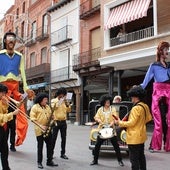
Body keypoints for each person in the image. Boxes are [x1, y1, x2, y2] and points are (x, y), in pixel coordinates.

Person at [0, 31, 34, 146]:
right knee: (2, 115)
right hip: (3, 89)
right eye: (9, 38)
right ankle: (3, 141)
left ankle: (13, 142)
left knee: (19, 115)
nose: (11, 40)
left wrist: (26, 88)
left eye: (13, 39)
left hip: (14, 89)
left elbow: (23, 73)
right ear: (5, 41)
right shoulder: (0, 54)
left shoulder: (20, 56)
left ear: (15, 42)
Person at [140, 41, 170, 152]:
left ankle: (168, 145)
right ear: (160, 51)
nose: (167, 51)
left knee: (169, 121)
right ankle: (153, 145)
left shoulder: (169, 65)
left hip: (169, 92)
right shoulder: (154, 65)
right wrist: (137, 89)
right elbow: (146, 81)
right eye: (166, 49)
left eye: (168, 49)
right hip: (158, 93)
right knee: (159, 122)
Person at [115, 86, 152, 170]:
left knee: (134, 159)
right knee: (141, 156)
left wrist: (119, 122)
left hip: (134, 137)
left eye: (132, 96)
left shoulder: (136, 108)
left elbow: (131, 123)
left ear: (135, 97)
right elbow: (149, 118)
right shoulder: (145, 106)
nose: (131, 98)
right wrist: (140, 123)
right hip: (141, 135)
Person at [90, 94, 124, 167]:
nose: (108, 102)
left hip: (111, 129)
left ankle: (120, 161)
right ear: (103, 102)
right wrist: (99, 120)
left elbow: (116, 118)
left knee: (116, 146)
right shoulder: (100, 109)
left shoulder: (113, 109)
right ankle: (95, 160)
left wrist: (111, 123)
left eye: (109, 101)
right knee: (97, 145)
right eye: (106, 101)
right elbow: (96, 117)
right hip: (102, 129)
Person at [30, 93, 58, 169]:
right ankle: (39, 162)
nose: (47, 101)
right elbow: (32, 118)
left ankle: (49, 161)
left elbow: (50, 116)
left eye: (47, 99)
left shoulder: (48, 107)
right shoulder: (35, 107)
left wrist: (52, 117)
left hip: (48, 129)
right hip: (39, 130)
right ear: (40, 100)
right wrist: (41, 125)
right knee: (40, 147)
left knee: (50, 146)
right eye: (45, 99)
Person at [0, 83, 19, 170]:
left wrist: (5, 104)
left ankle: (6, 167)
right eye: (2, 93)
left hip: (2, 129)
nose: (4, 95)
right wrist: (12, 113)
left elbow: (4, 112)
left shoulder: (1, 101)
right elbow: (1, 117)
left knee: (5, 150)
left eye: (4, 93)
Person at [51, 87, 71, 160]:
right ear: (59, 94)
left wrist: (67, 103)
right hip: (56, 122)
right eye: (62, 94)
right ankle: (51, 153)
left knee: (64, 138)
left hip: (63, 122)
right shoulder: (54, 100)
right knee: (53, 138)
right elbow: (54, 108)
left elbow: (68, 110)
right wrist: (60, 101)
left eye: (64, 95)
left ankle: (63, 153)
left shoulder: (64, 102)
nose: (63, 96)